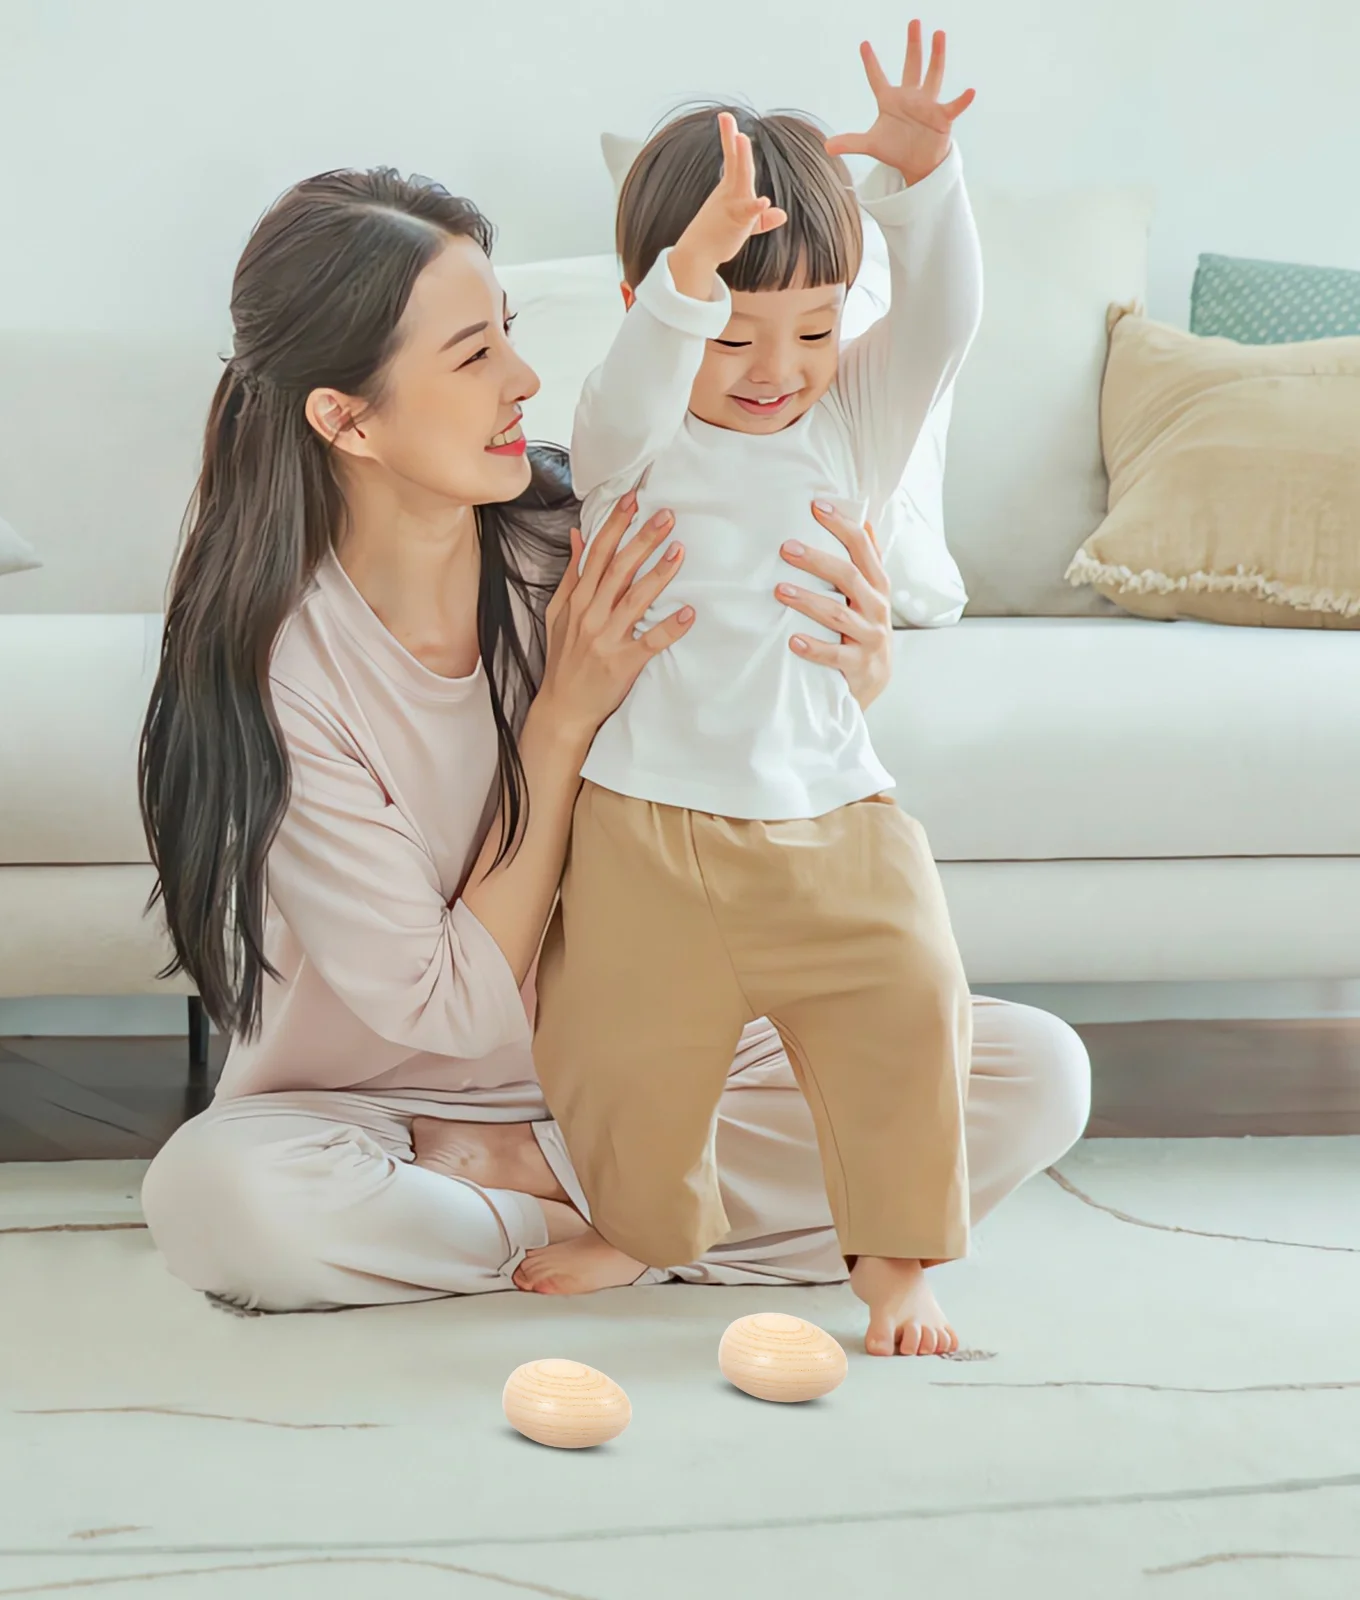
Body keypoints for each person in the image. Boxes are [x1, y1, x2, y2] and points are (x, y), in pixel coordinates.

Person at [136, 142, 1091, 1361]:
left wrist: (856, 667)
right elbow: (446, 1003)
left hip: (659, 1050)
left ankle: (565, 1195)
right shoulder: (288, 669)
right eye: (474, 355)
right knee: (223, 1202)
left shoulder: (598, 542)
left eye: (510, 331)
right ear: (345, 417)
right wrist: (560, 716)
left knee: (1033, 1071)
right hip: (386, 1109)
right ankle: (632, 1206)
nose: (525, 379)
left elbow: (752, 733)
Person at [531, 26, 981, 1355]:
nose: (776, 366)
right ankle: (641, 1229)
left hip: (837, 818)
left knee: (912, 1001)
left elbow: (943, 325)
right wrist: (687, 275)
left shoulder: (850, 428)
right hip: (646, 825)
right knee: (619, 1051)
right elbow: (633, 380)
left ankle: (896, 1265)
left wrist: (923, 183)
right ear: (658, 307)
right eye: (733, 333)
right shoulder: (632, 436)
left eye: (814, 327)